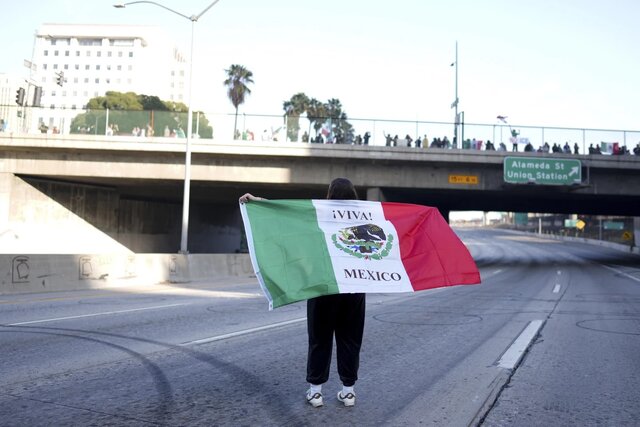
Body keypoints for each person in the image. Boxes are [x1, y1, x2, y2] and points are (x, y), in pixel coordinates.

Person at [239, 178, 365, 408]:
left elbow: (288, 215)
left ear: (330, 193)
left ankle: (315, 392)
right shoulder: (365, 216)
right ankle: (348, 392)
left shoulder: (319, 212)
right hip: (353, 288)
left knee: (320, 338)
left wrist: (257, 202)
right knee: (350, 339)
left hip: (322, 286)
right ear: (354, 194)